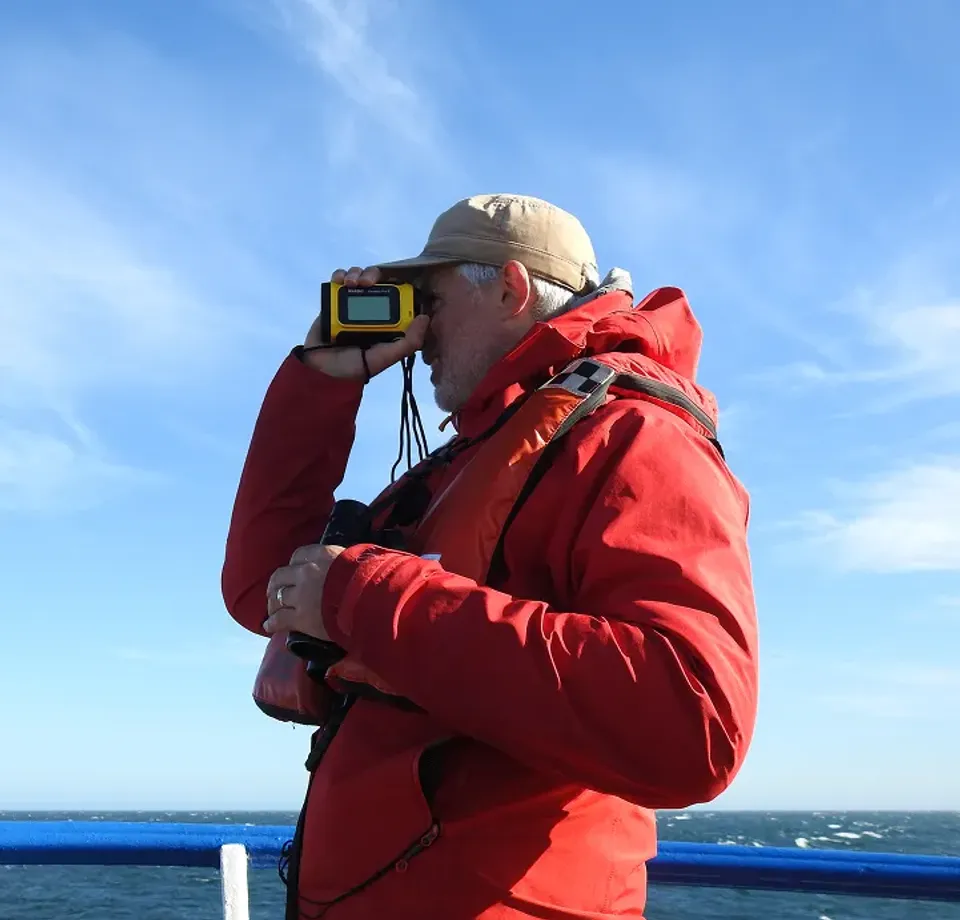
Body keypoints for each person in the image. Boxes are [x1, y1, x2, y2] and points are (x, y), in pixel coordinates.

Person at [222, 193, 759, 919]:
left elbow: (692, 722)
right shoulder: (469, 462)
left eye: (431, 299)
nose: (418, 327)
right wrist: (322, 382)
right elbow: (262, 585)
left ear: (508, 288)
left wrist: (365, 595)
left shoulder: (635, 438)